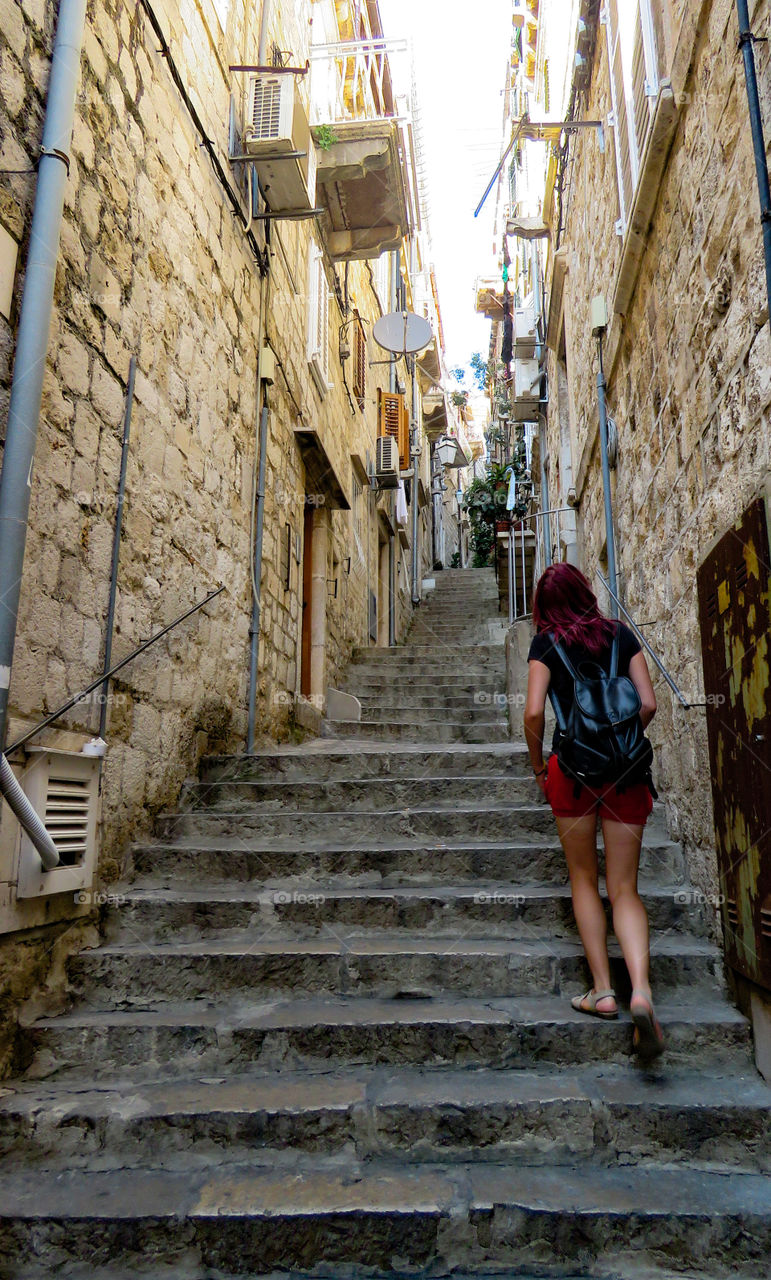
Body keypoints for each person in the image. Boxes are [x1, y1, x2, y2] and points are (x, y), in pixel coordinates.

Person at [523, 563, 664, 1060]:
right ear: (586, 593)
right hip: (625, 774)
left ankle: (603, 991)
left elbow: (535, 712)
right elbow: (647, 704)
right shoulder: (621, 636)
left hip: (573, 774)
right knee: (625, 887)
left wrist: (540, 765)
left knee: (584, 877)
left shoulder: (544, 643)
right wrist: (619, 742)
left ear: (545, 607)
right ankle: (642, 992)